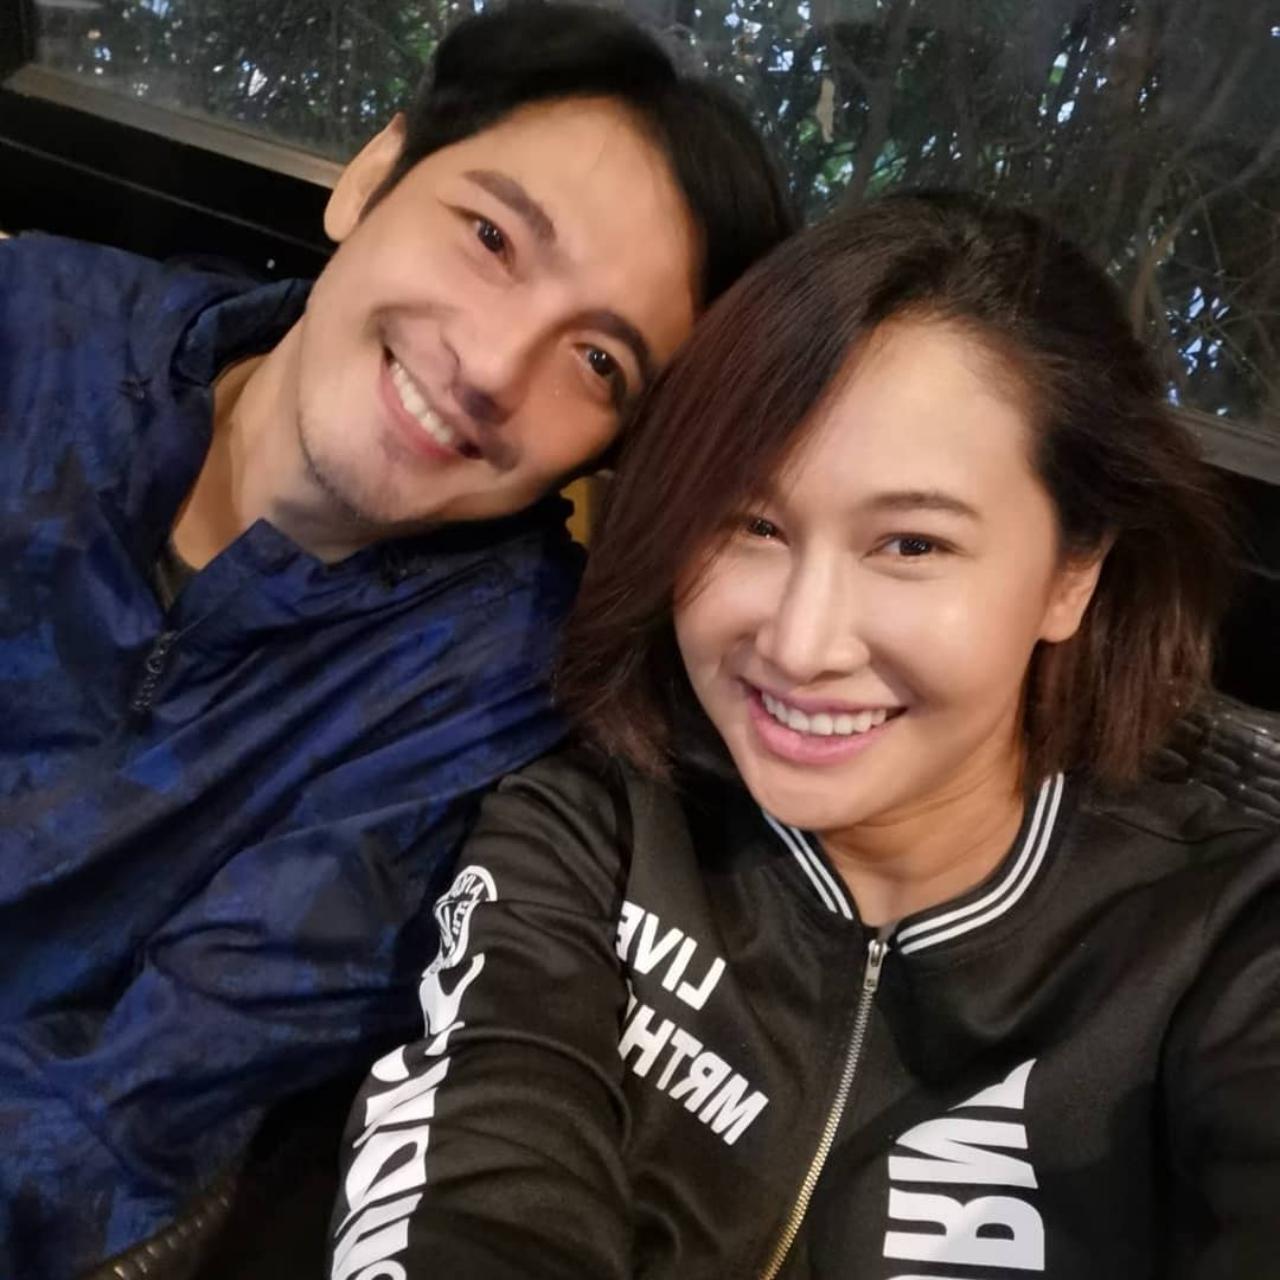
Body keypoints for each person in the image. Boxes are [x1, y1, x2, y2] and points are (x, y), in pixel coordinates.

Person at [329, 193, 1280, 1279]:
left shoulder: (1222, 939)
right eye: (753, 524)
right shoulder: (599, 823)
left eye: (911, 544)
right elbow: (481, 1166)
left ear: (1072, 572)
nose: (799, 642)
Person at [0, 4, 793, 1274]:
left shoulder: (489, 686)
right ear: (371, 175)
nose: (491, 364)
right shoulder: (36, 329)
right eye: (491, 237)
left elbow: (127, 1114)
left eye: (598, 361)